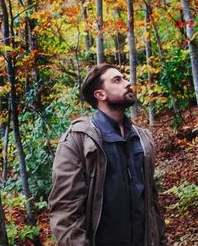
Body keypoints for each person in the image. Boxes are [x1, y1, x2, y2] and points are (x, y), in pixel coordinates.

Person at [49, 63, 165, 246]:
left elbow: (151, 202)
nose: (127, 83)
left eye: (124, 78)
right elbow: (66, 210)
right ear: (100, 94)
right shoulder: (78, 139)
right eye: (117, 80)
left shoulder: (142, 138)